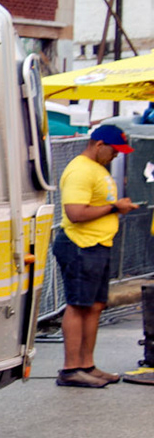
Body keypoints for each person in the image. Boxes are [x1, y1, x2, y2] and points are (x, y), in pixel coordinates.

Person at [52, 123, 137, 387]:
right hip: (81, 244)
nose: (116, 155)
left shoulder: (97, 169)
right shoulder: (79, 170)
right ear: (99, 145)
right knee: (78, 305)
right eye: (114, 150)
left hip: (97, 244)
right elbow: (75, 213)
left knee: (95, 305)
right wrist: (114, 207)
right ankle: (70, 369)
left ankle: (87, 364)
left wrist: (115, 208)